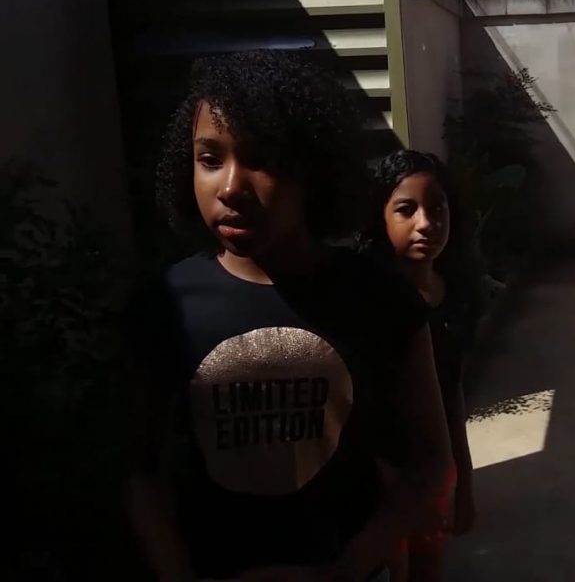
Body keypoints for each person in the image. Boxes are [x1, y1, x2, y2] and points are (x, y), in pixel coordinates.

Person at [122, 50, 452, 581]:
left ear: (313, 169)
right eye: (210, 159)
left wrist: (348, 566)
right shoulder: (164, 305)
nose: (230, 186)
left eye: (262, 158)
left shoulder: (378, 300)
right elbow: (142, 471)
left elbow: (430, 461)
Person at [367, 150, 477, 582]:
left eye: (437, 208)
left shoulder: (455, 291)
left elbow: (452, 390)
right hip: (382, 479)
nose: (426, 223)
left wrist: (462, 479)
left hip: (434, 469)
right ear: (379, 216)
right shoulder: (367, 300)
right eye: (406, 209)